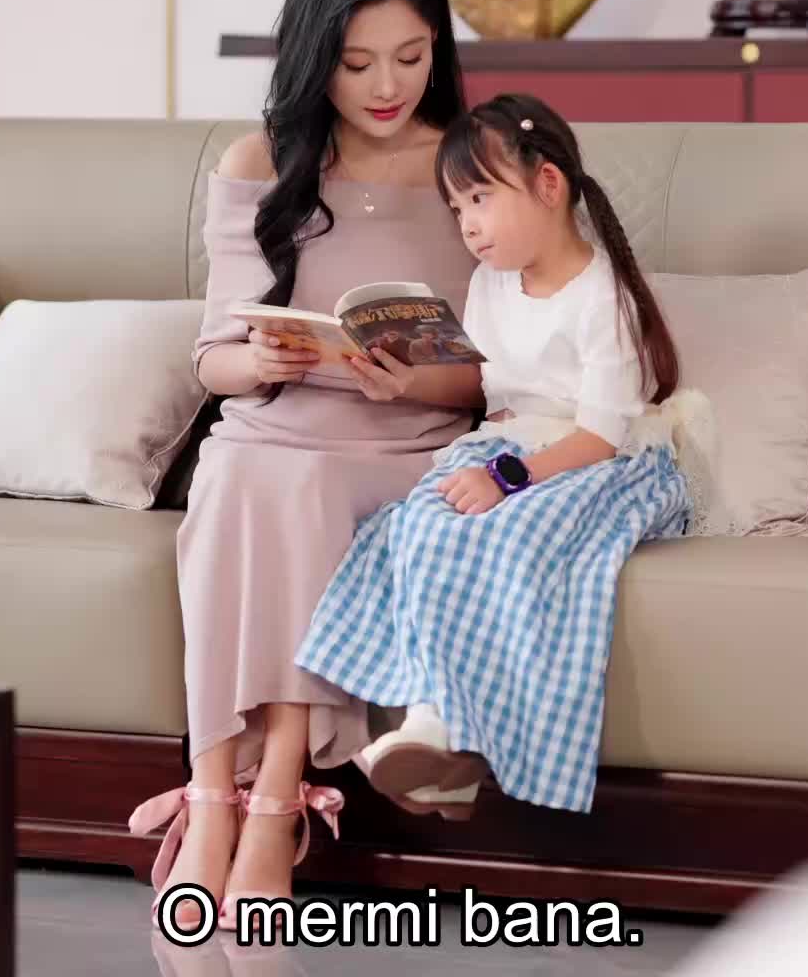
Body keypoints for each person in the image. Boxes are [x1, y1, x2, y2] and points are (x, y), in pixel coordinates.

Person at [128, 0, 482, 929]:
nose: (387, 86)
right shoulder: (260, 158)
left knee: (309, 490)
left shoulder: (470, 162)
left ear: (439, 49)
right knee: (240, 477)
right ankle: (217, 801)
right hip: (272, 426)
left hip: (403, 440)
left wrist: (406, 381)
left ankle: (269, 803)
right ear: (314, 55)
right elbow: (214, 360)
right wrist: (263, 361)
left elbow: (491, 378)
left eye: (411, 57)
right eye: (357, 63)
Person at [296, 94, 695, 816]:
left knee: (513, 536)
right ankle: (434, 731)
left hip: (595, 459)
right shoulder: (489, 283)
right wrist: (406, 382)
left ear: (548, 185)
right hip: (509, 445)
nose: (468, 224)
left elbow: (600, 436)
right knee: (416, 525)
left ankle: (453, 738)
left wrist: (506, 480)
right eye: (457, 208)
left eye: (480, 198)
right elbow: (490, 392)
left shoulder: (602, 297)